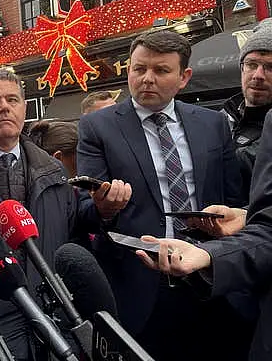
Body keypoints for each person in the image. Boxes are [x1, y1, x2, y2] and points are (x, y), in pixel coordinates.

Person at [77, 30, 244, 360]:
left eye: (161, 70)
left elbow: (234, 202)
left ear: (184, 77)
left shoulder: (213, 124)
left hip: (211, 278)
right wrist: (105, 208)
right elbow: (85, 212)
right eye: (139, 69)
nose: (147, 79)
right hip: (142, 285)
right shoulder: (98, 127)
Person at [0, 68, 130, 360]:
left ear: (25, 107)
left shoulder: (54, 170)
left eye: (12, 99)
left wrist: (103, 211)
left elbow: (72, 234)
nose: (4, 107)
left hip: (56, 324)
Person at [137, 109, 272, 360]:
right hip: (165, 287)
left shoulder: (212, 122)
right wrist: (212, 252)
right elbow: (268, 228)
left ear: (183, 78)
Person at [222, 23, 272, 201]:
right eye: (251, 64)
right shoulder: (219, 120)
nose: (258, 75)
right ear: (242, 68)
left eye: (270, 67)